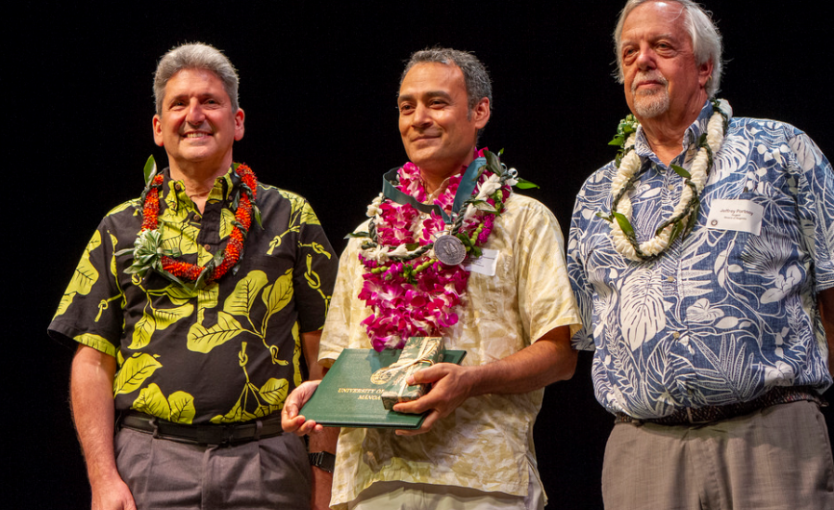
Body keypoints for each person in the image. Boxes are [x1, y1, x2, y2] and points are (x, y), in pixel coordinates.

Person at [568, 1, 834, 508]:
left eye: (662, 46)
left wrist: (785, 397)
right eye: (629, 51)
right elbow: (588, 331)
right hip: (643, 452)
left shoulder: (780, 149)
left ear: (705, 67)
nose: (642, 60)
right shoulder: (596, 193)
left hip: (771, 441)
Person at [282, 48, 582, 510]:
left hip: (484, 481)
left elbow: (560, 357)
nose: (418, 118)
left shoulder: (525, 221)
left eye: (437, 103)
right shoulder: (367, 236)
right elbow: (340, 370)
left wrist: (470, 380)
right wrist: (318, 396)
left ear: (479, 111)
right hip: (375, 482)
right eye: (407, 107)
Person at [49, 42, 338, 510]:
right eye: (179, 104)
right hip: (150, 463)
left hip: (268, 463)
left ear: (238, 121)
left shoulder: (291, 215)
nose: (195, 114)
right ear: (159, 129)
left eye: (210, 101)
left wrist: (324, 481)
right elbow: (91, 363)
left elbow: (325, 354)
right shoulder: (119, 226)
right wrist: (103, 479)